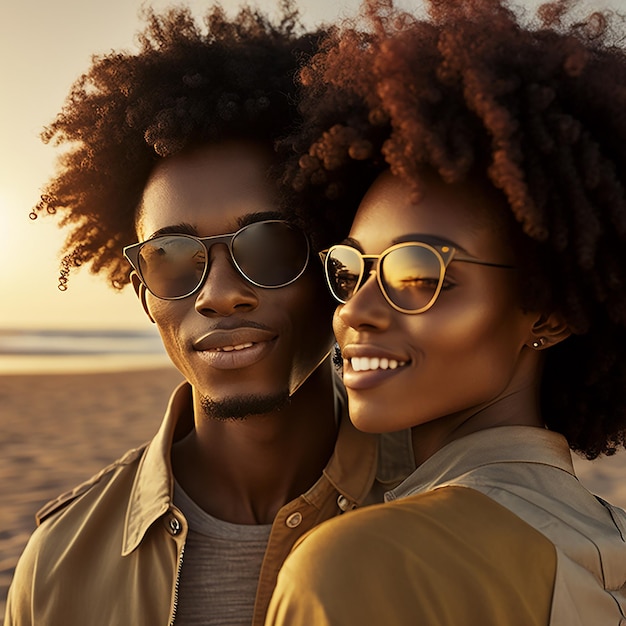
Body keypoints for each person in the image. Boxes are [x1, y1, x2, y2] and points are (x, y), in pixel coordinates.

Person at [3, 5, 415, 626]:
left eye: (268, 246)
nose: (219, 294)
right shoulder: (59, 564)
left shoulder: (449, 512)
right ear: (144, 293)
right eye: (172, 258)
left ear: (337, 271)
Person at [266, 0, 626, 623]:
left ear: (548, 315)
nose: (357, 310)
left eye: (419, 275)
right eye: (350, 270)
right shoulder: (609, 538)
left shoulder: (355, 566)